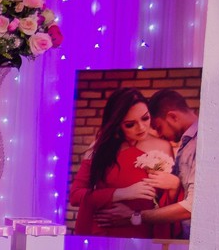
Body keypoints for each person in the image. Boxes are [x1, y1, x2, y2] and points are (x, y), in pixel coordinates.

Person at [69, 87, 178, 239]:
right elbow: (75, 196)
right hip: (104, 233)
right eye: (130, 124)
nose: (141, 127)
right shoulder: (100, 148)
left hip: (142, 233)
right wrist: (121, 193)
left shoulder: (163, 147)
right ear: (117, 124)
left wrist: (174, 186)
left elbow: (167, 203)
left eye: (145, 118)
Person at [95, 88, 196, 238]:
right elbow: (81, 194)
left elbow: (190, 205)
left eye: (157, 127)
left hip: (150, 231)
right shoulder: (187, 143)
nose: (159, 134)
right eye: (130, 124)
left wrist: (135, 216)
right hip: (110, 228)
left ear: (173, 117)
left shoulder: (192, 144)